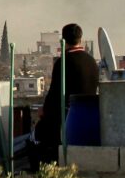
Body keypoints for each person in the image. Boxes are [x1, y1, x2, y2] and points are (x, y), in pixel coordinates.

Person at [33, 23, 99, 166]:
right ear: (80, 39)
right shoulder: (92, 61)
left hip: (68, 120)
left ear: (63, 40)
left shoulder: (63, 62)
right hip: (91, 119)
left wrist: (43, 112)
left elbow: (54, 96)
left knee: (41, 132)